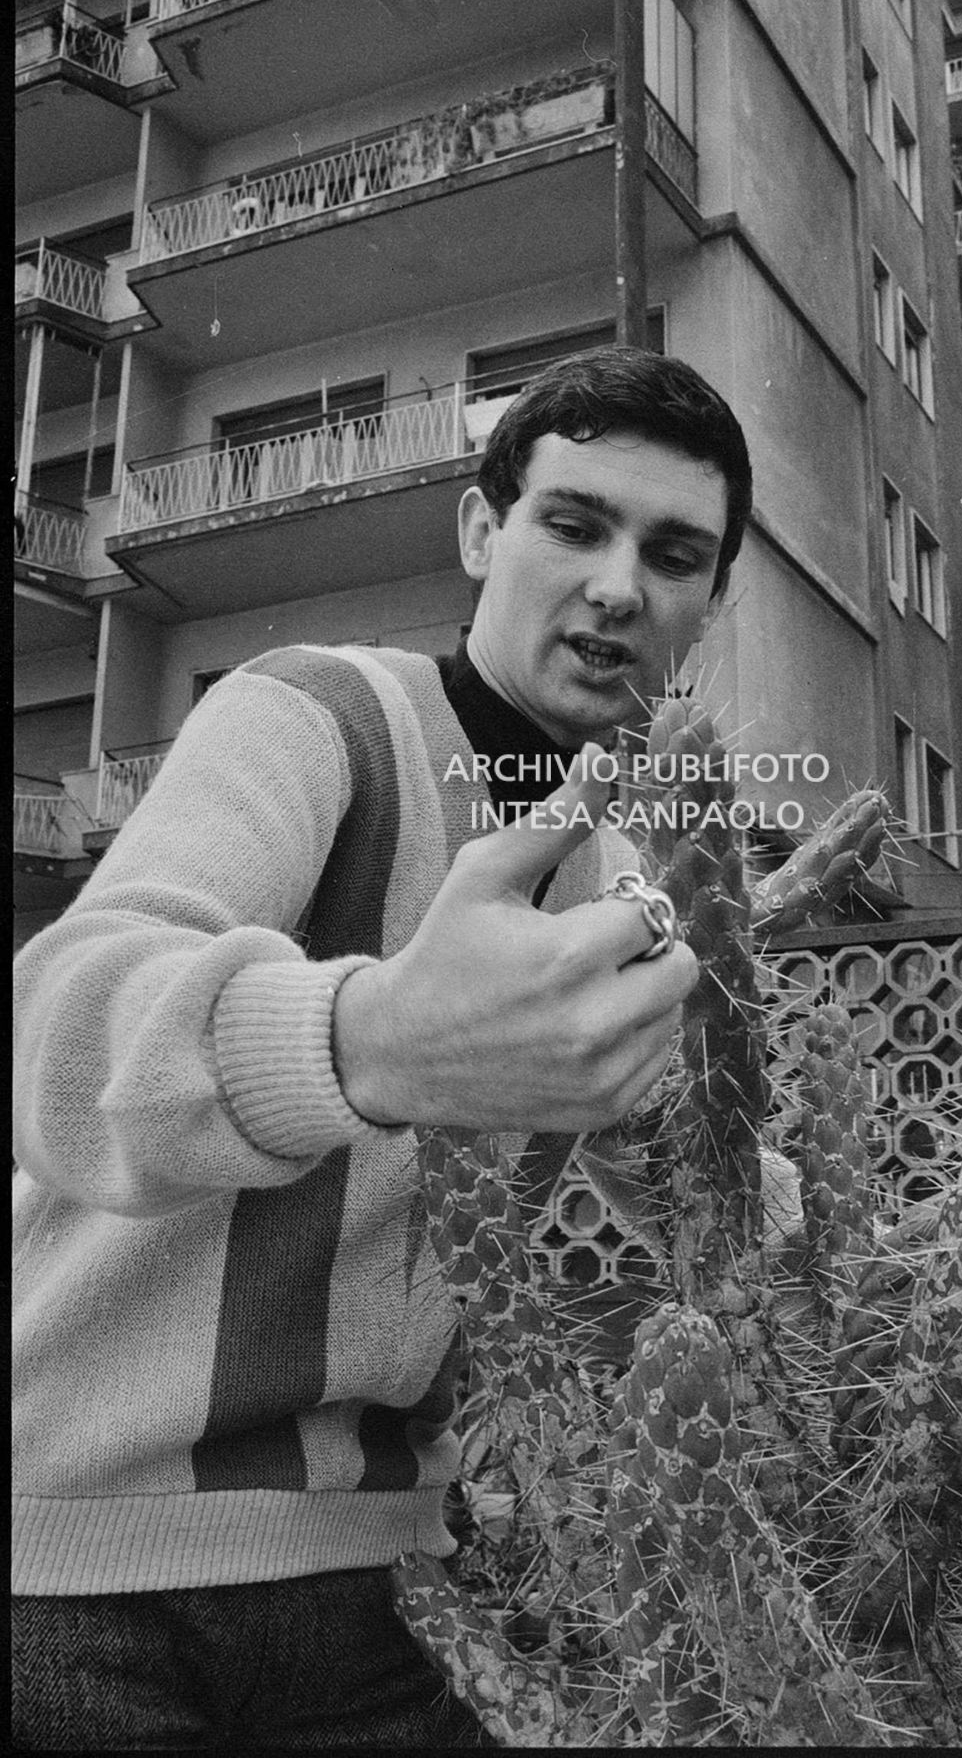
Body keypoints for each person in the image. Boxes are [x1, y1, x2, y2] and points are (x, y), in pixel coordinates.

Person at [12, 345, 754, 1749]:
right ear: (484, 531)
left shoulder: (630, 886)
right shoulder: (319, 714)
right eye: (574, 523)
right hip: (81, 1570)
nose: (617, 587)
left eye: (673, 555)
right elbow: (58, 1025)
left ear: (708, 606)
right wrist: (372, 1042)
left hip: (387, 1575)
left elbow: (693, 1179)